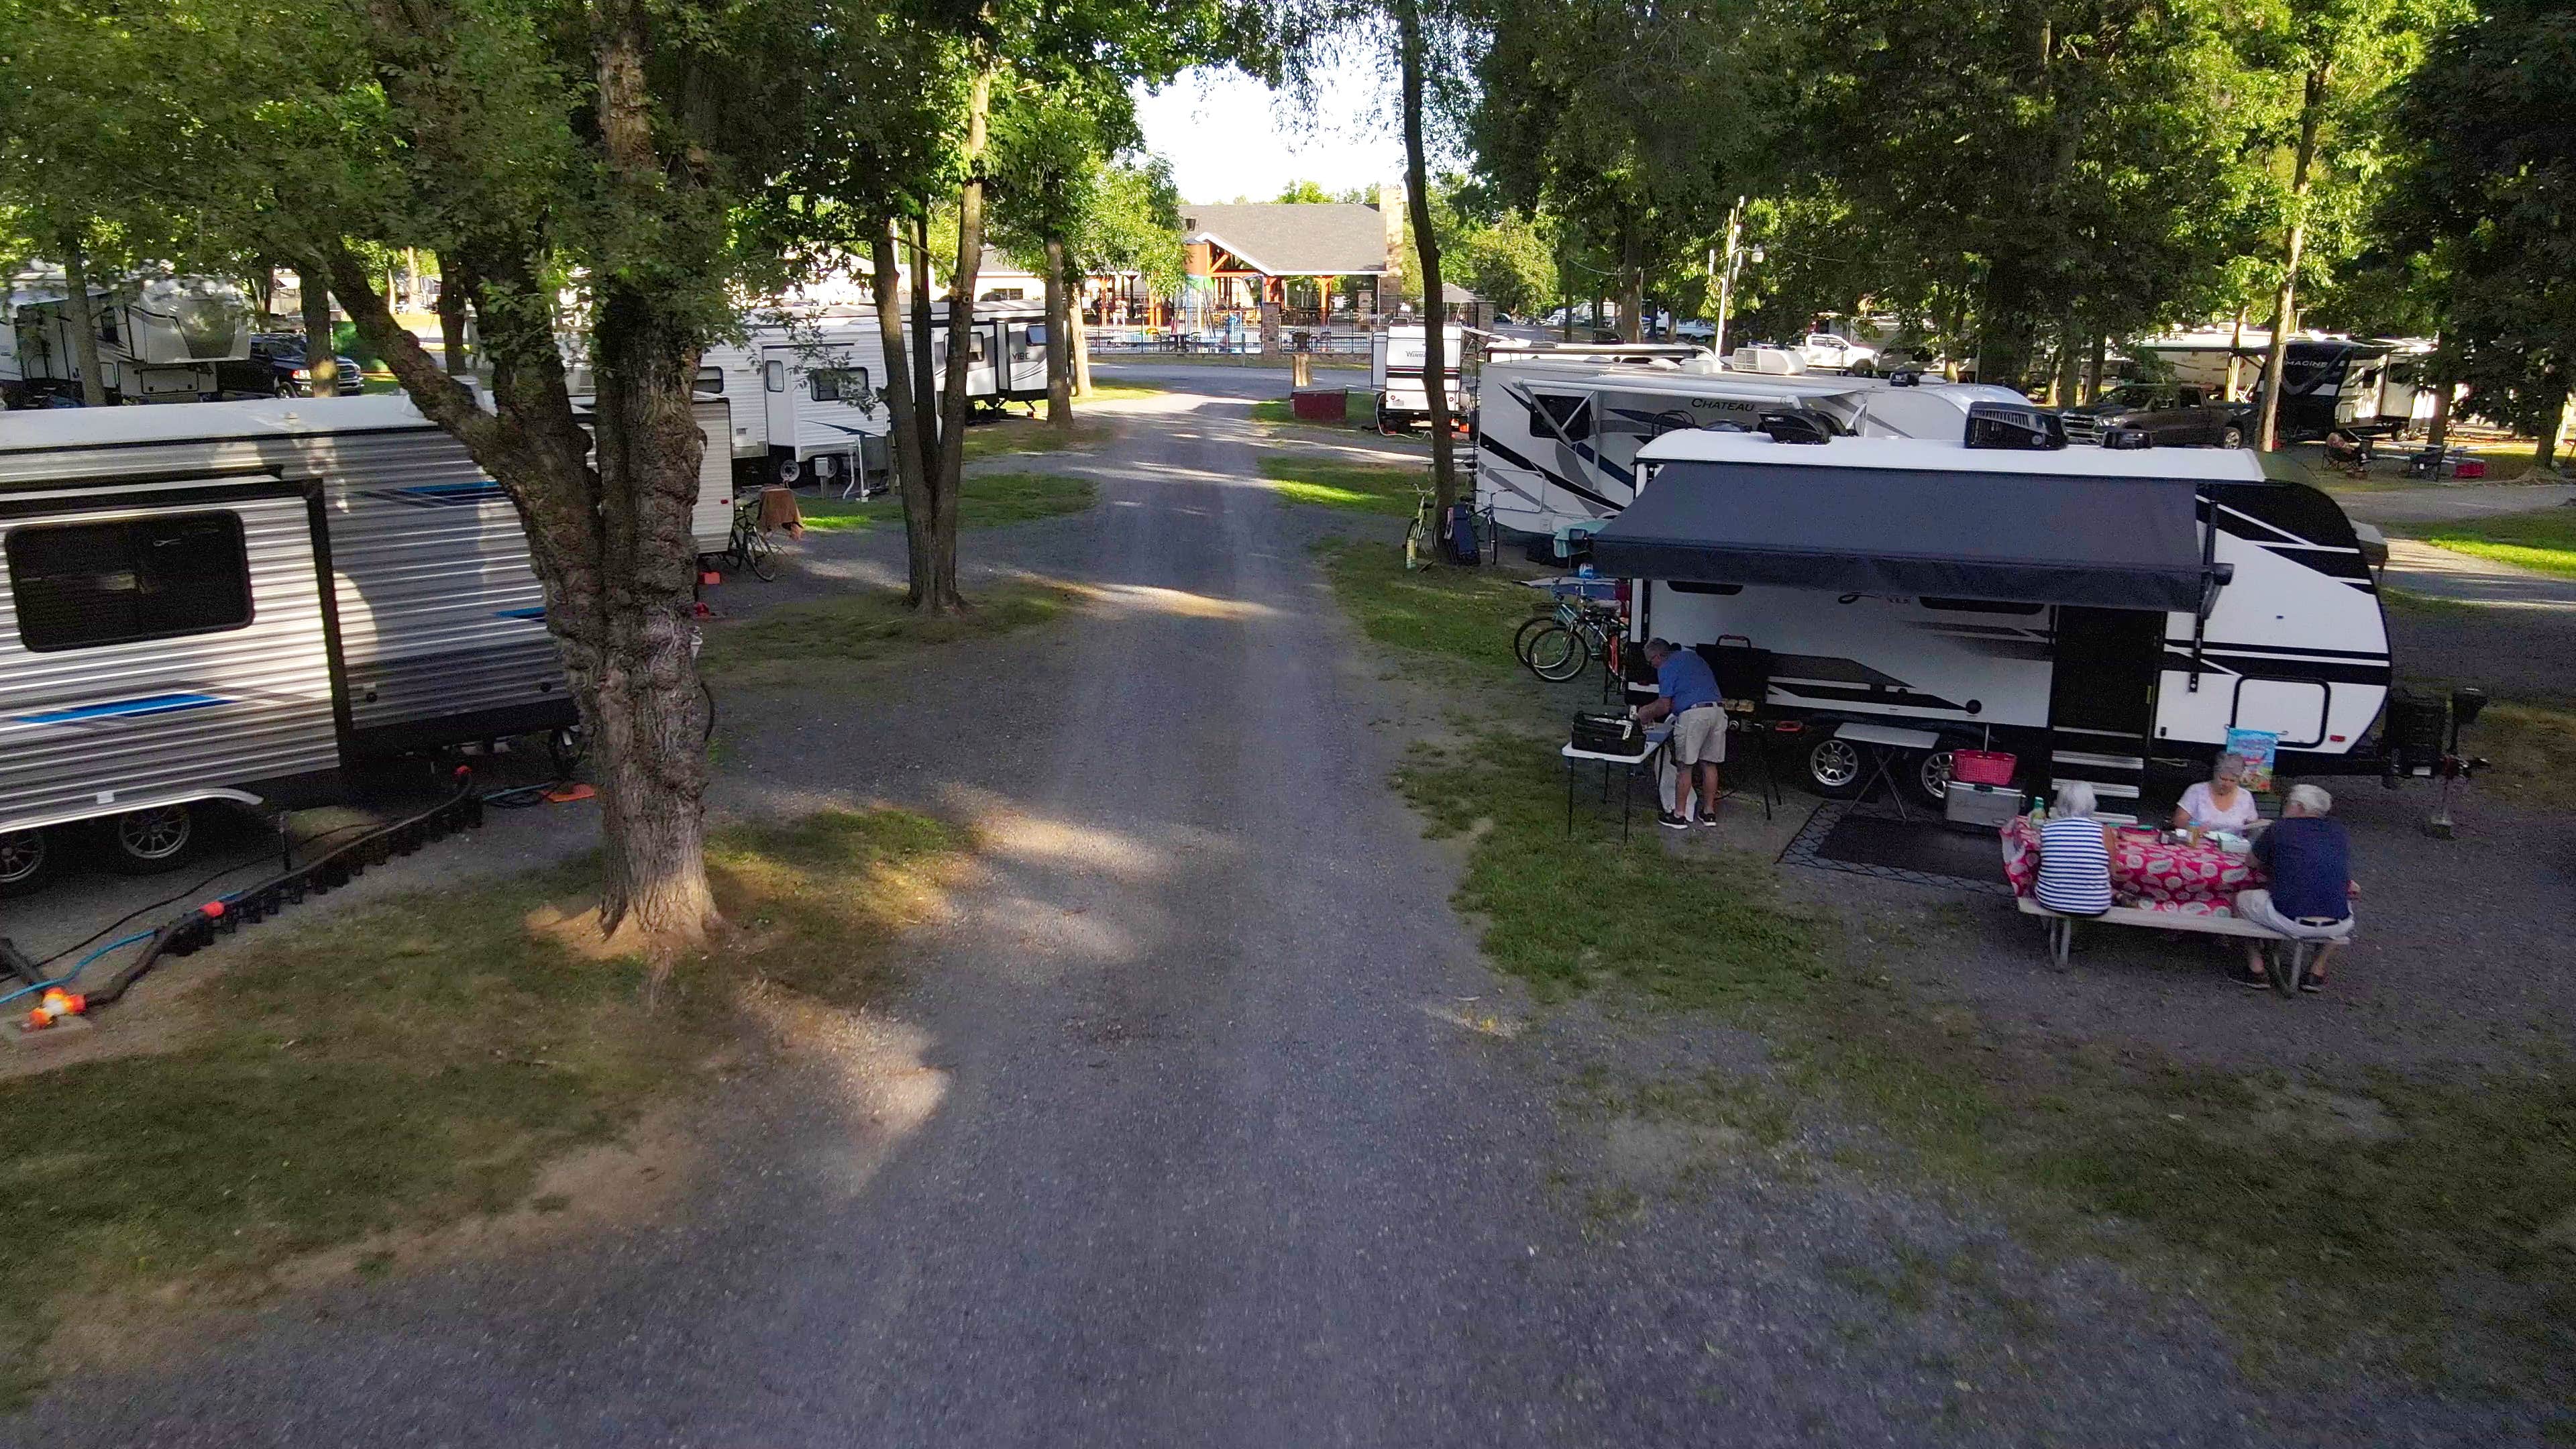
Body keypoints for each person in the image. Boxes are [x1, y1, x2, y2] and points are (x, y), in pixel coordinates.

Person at [2231, 784, 2357, 991]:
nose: (2285, 808)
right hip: (2338, 922)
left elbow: (2251, 862)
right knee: (2342, 906)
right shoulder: (2338, 831)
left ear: (2298, 807)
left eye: (2288, 804)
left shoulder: (2280, 828)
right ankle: (2316, 972)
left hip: (2291, 919)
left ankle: (2255, 968)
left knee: (2241, 899)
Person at [1631, 638, 1725, 829]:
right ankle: (1709, 813)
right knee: (1709, 764)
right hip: (1718, 711)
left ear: (1658, 656)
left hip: (1694, 716)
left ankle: (1678, 816)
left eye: (1651, 662)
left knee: (1685, 767)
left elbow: (1664, 705)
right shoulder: (1692, 657)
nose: (1653, 667)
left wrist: (1642, 714)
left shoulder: (1666, 667)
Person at [2033, 781, 2118, 917]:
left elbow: (2046, 863)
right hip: (2096, 905)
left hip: (2050, 900)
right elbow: (2113, 872)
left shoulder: (2047, 829)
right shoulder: (2104, 831)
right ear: (2092, 803)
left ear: (2059, 803)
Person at [2171, 757, 2261, 836]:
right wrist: (2192, 828)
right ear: (2215, 774)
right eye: (2223, 779)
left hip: (2232, 848)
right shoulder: (2196, 791)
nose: (2227, 784)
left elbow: (2252, 826)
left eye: (2232, 781)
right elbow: (2178, 821)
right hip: (2197, 843)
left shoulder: (2245, 796)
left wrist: (2258, 826)